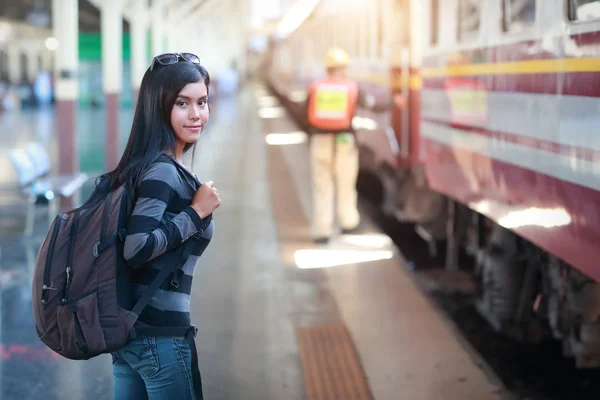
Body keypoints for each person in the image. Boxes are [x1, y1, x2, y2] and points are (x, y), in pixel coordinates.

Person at [103, 52, 220, 400]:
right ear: (158, 107)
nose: (196, 114)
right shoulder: (162, 170)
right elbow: (137, 247)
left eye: (202, 102)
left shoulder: (145, 165)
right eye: (182, 103)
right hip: (160, 340)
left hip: (132, 337)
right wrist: (196, 213)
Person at [306, 47, 406, 244]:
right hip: (344, 141)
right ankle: (348, 223)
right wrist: (395, 102)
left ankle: (322, 231)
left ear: (327, 68)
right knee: (346, 184)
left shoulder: (316, 87)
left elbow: (305, 112)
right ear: (344, 68)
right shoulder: (351, 87)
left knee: (322, 186)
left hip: (320, 142)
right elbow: (373, 105)